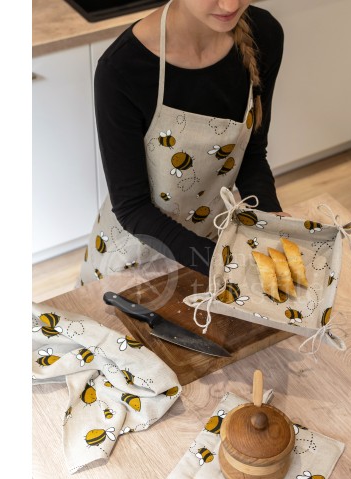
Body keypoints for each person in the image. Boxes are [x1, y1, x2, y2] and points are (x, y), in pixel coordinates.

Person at [79, 0, 287, 285]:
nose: (230, 5)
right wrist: (222, 263)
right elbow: (132, 209)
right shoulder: (122, 69)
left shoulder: (265, 34)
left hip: (214, 236)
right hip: (136, 258)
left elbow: (251, 152)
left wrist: (272, 224)